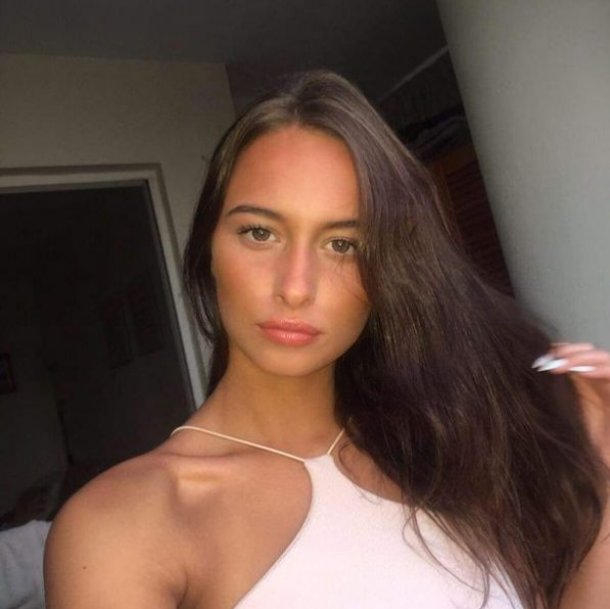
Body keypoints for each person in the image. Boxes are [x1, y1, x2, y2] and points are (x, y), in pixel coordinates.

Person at [43, 70, 610, 608]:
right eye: (259, 232)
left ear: (389, 271)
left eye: (343, 245)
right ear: (208, 248)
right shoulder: (125, 524)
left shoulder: (444, 450)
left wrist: (602, 467)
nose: (295, 288)